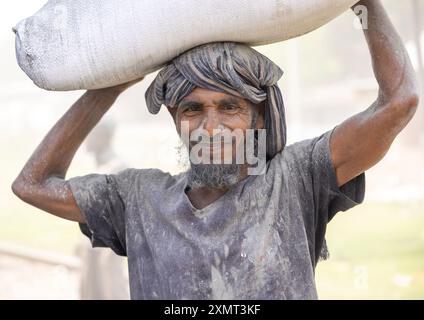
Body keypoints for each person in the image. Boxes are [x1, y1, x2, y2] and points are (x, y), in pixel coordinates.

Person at [12, 0, 419, 299]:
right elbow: (32, 184)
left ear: (258, 116)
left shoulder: (296, 180)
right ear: (174, 118)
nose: (211, 127)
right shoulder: (137, 199)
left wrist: (364, 5)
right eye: (192, 109)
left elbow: (399, 101)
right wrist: (107, 90)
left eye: (230, 107)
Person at [74, 120, 130, 300]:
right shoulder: (96, 166)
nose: (86, 139)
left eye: (91, 133)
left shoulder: (117, 168)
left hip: (107, 248)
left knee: (109, 287)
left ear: (103, 137)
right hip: (91, 246)